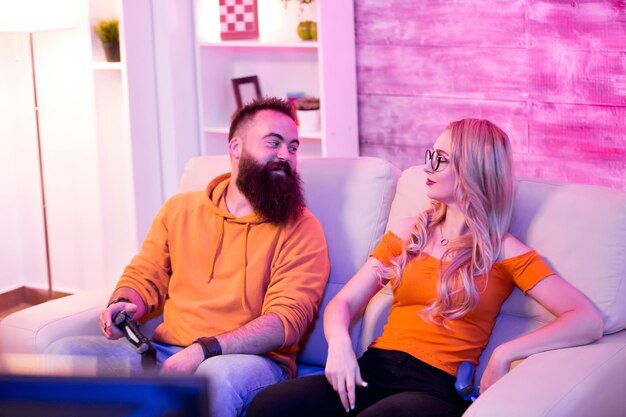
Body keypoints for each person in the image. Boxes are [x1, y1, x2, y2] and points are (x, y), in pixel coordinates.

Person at [246, 118, 604, 417]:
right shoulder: (409, 232)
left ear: (472, 171)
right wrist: (339, 344)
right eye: (431, 155)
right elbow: (344, 303)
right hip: (373, 369)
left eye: (442, 160)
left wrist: (506, 352)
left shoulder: (503, 251)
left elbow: (586, 319)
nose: (428, 168)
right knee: (270, 405)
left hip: (434, 388)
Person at [46, 97, 330, 417]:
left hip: (253, 361)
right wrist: (125, 301)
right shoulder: (180, 209)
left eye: (293, 147)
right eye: (273, 143)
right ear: (236, 147)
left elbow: (285, 322)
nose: (286, 156)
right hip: (164, 351)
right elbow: (147, 272)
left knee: (213, 379)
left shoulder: (302, 227)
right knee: (66, 353)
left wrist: (202, 351)